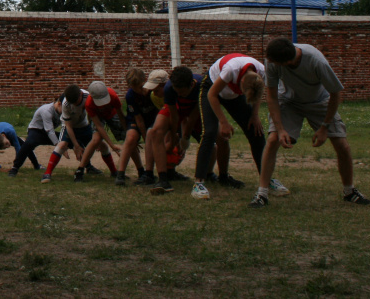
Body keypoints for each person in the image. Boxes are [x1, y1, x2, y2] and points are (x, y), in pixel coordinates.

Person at [249, 38, 370, 208]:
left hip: (319, 102)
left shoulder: (316, 61)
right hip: (289, 102)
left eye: (273, 61)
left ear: (287, 62)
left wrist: (324, 127)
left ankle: (349, 192)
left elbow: (336, 93)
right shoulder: (272, 60)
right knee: (272, 141)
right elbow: (271, 95)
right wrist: (280, 129)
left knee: (342, 145)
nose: (268, 63)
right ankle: (262, 194)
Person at [190, 54, 266, 200]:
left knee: (255, 130)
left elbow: (258, 94)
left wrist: (255, 115)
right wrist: (224, 122)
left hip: (233, 96)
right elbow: (212, 95)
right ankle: (198, 182)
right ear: (241, 81)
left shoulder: (261, 72)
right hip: (211, 90)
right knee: (210, 132)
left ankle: (266, 179)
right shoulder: (231, 69)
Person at [148, 66, 207, 195]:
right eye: (177, 91)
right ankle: (163, 179)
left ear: (191, 85)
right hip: (177, 109)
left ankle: (213, 174)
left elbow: (193, 115)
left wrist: (185, 136)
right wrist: (175, 134)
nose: (179, 94)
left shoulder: (202, 86)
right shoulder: (169, 88)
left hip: (195, 111)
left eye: (182, 92)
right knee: (155, 132)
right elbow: (174, 115)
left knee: (215, 135)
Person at [39, 84, 98, 183]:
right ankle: (47, 173)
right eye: (72, 103)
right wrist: (76, 145)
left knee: (100, 144)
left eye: (76, 102)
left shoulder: (87, 97)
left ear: (80, 95)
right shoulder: (66, 103)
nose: (74, 105)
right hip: (69, 125)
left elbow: (92, 116)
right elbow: (69, 126)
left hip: (83, 124)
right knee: (62, 145)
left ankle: (114, 172)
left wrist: (94, 132)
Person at [114, 69, 161, 186]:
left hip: (152, 119)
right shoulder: (130, 95)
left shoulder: (152, 90)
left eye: (140, 87)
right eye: (134, 88)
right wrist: (145, 138)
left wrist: (148, 139)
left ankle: (151, 173)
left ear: (144, 81)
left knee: (152, 138)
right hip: (136, 120)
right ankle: (120, 174)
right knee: (130, 138)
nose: (138, 91)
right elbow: (139, 120)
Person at [73, 81, 122, 182]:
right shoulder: (89, 104)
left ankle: (140, 171)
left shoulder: (113, 95)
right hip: (98, 118)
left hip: (112, 114)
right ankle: (80, 170)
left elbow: (121, 115)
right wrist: (111, 145)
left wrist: (127, 132)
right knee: (96, 140)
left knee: (129, 137)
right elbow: (99, 126)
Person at [7, 98, 60, 177]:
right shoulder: (47, 110)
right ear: (59, 103)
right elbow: (49, 131)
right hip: (36, 130)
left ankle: (83, 166)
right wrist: (59, 145)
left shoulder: (65, 112)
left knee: (70, 140)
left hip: (47, 131)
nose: (67, 110)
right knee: (28, 144)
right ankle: (15, 168)